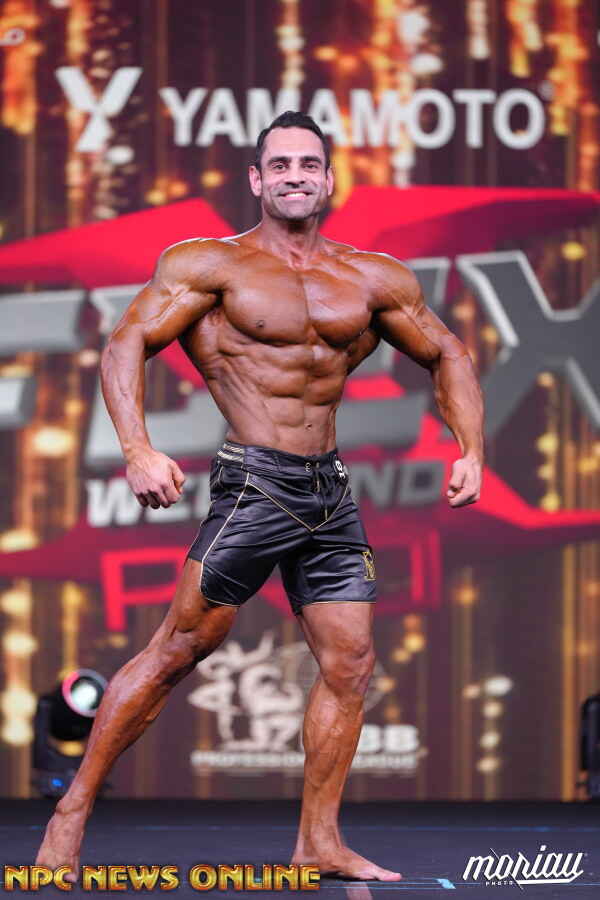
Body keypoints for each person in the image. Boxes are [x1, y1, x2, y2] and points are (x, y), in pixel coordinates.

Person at [36, 111, 484, 883]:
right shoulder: (212, 265)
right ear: (257, 179)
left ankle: (319, 842)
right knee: (179, 651)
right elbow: (126, 342)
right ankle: (71, 812)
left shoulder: (372, 277)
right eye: (280, 165)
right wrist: (138, 449)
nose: (294, 176)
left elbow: (448, 351)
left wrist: (471, 449)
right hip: (256, 483)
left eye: (308, 164)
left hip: (328, 492)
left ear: (329, 179)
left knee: (351, 663)